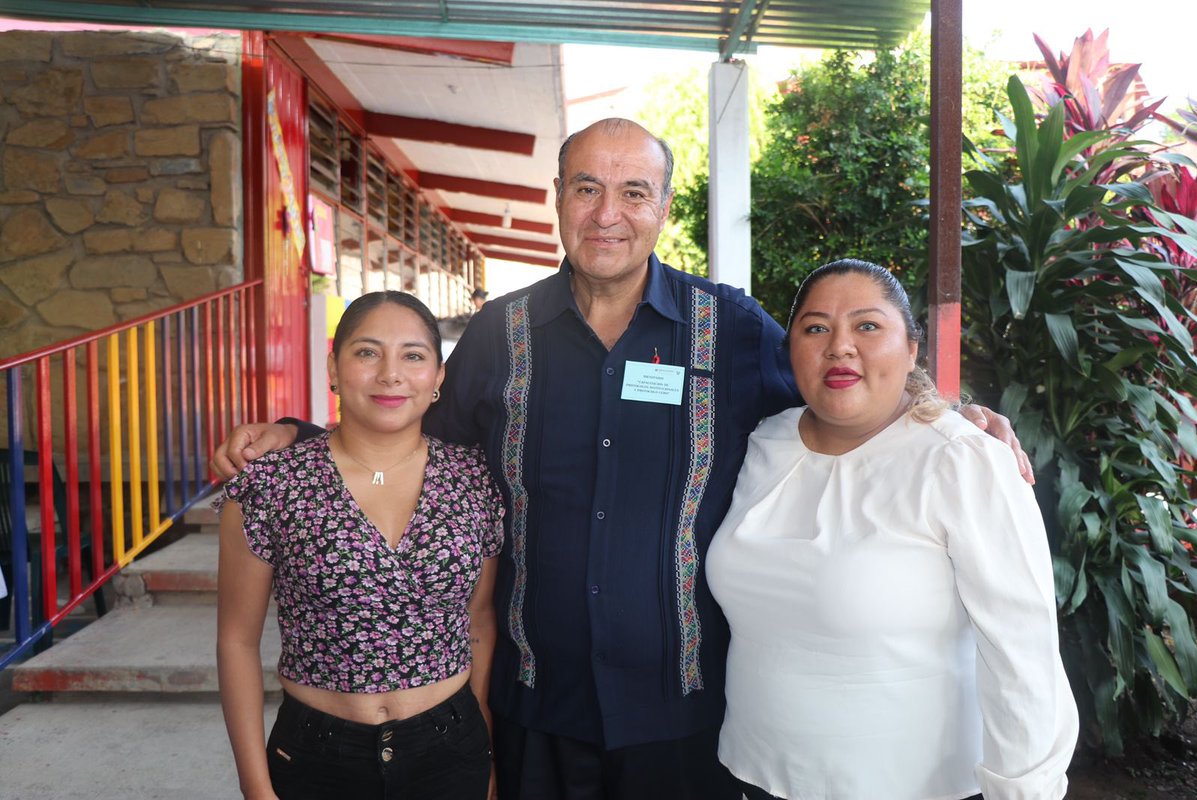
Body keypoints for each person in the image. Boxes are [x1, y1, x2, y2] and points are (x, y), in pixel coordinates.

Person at [212, 119, 1029, 800]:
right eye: (587, 188)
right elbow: (405, 433)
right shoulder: (502, 333)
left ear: (664, 208)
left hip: (684, 722)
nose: (609, 213)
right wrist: (299, 435)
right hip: (537, 711)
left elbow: (845, 389)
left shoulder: (733, 332)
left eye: (634, 192)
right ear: (558, 200)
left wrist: (947, 416)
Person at [707, 259, 1078, 800]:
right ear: (789, 349)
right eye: (816, 328)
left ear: (912, 349)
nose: (839, 347)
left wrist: (1024, 792)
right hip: (754, 775)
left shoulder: (963, 460)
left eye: (867, 326)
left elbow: (1023, 655)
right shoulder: (763, 441)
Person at [216, 291, 504, 800]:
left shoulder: (474, 477)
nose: (390, 374)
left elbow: (479, 623)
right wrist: (255, 787)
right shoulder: (271, 482)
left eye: (413, 356)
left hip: (450, 750)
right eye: (367, 352)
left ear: (438, 378)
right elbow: (237, 642)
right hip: (316, 756)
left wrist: (483, 755)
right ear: (334, 366)